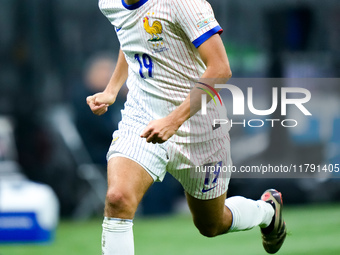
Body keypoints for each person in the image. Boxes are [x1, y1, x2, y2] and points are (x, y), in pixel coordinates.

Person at [86, 0, 287, 254]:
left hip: (199, 127)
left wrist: (173, 120)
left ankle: (267, 212)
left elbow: (221, 69)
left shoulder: (184, 3)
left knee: (212, 224)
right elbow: (130, 35)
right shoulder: (110, 2)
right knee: (118, 199)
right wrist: (112, 89)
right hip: (142, 117)